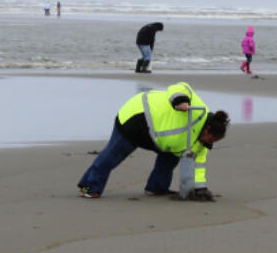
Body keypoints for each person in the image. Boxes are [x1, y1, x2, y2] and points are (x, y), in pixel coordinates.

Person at [77, 81, 229, 200]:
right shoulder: (197, 110)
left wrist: (200, 188)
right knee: (113, 155)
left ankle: (156, 187)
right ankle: (90, 187)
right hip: (138, 117)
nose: (211, 143)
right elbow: (181, 86)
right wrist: (180, 101)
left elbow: (199, 164)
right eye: (212, 139)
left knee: (171, 158)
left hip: (158, 137)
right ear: (207, 129)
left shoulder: (202, 144)